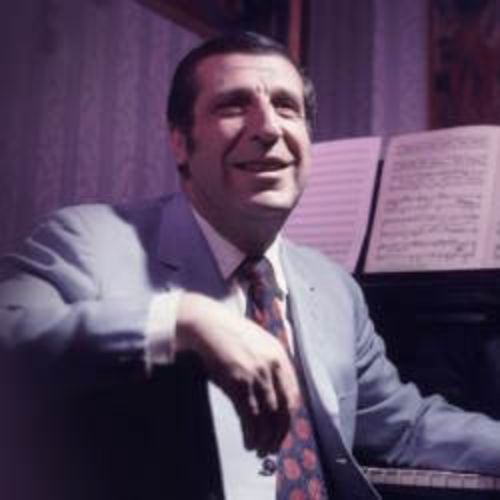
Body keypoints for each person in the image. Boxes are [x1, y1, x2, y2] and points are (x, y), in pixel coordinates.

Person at [0, 31, 499, 500]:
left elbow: (406, 426)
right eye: (234, 105)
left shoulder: (333, 287)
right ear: (180, 141)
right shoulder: (88, 239)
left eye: (286, 107)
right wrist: (179, 320)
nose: (268, 128)